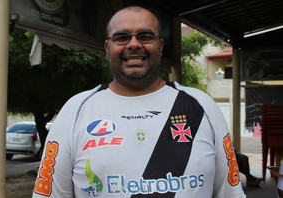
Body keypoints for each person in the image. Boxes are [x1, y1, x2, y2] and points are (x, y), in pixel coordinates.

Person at [32, 5, 245, 197]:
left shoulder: (201, 105)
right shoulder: (76, 109)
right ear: (107, 47)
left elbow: (230, 193)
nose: (134, 44)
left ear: (160, 45)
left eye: (145, 36)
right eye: (122, 37)